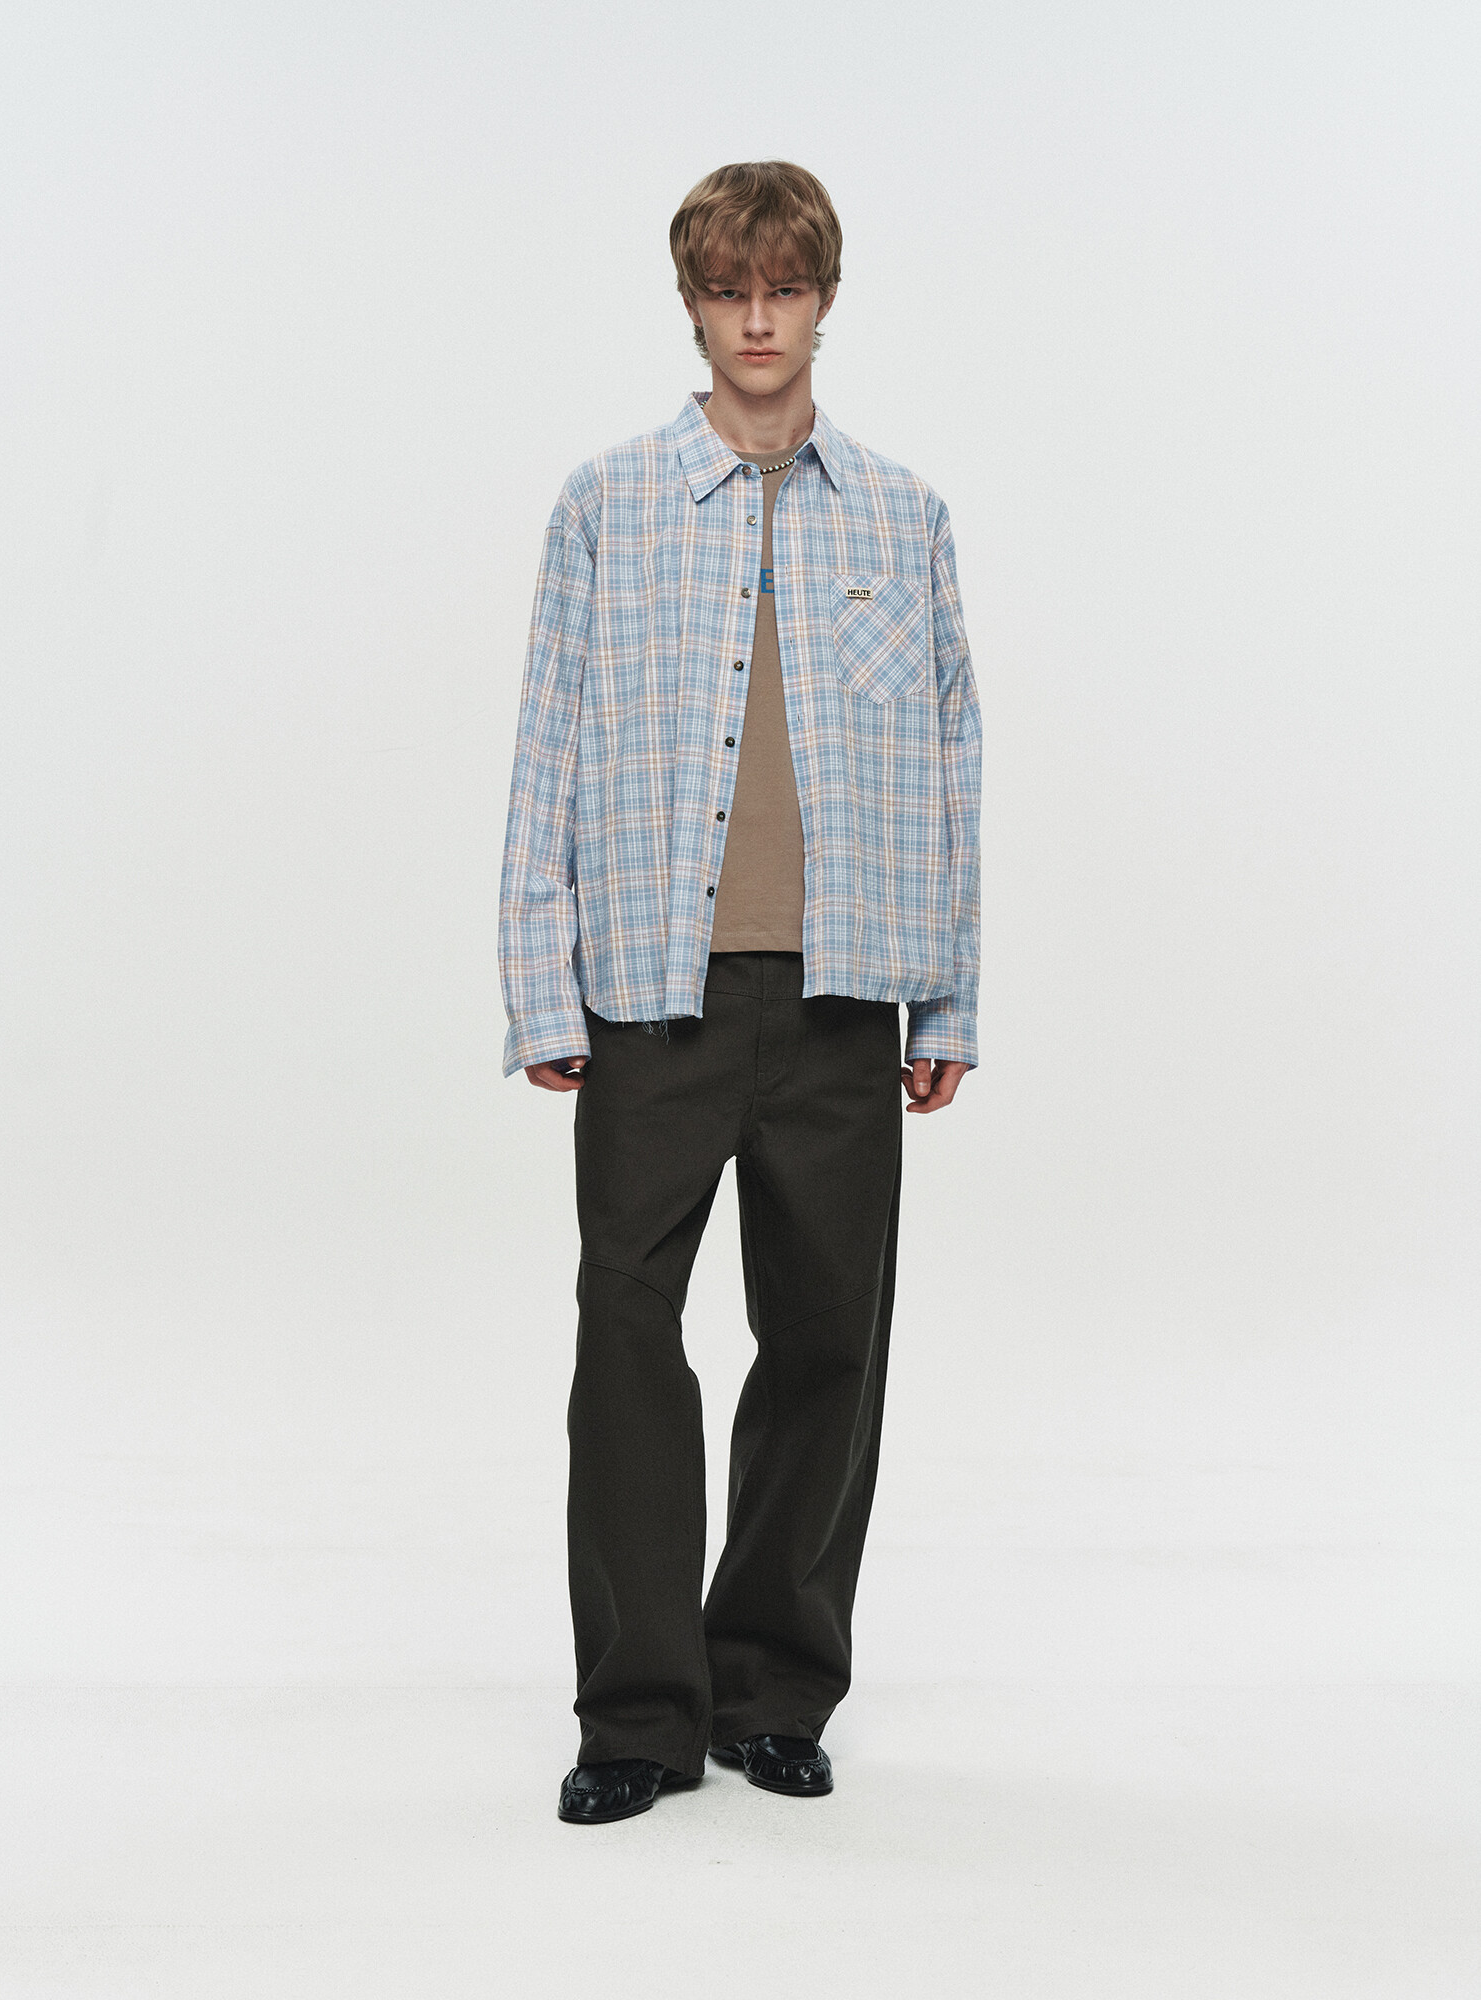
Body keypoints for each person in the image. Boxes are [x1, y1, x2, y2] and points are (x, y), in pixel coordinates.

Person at [498, 160, 982, 1825]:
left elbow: (953, 762)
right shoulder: (608, 504)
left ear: (824, 300)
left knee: (829, 1340)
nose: (757, 318)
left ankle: (773, 1686)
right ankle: (638, 1715)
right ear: (694, 305)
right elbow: (547, 745)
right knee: (628, 1332)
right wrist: (540, 985)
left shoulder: (904, 516)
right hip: (652, 991)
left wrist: (950, 1001)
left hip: (846, 994)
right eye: (729, 290)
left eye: (784, 288)